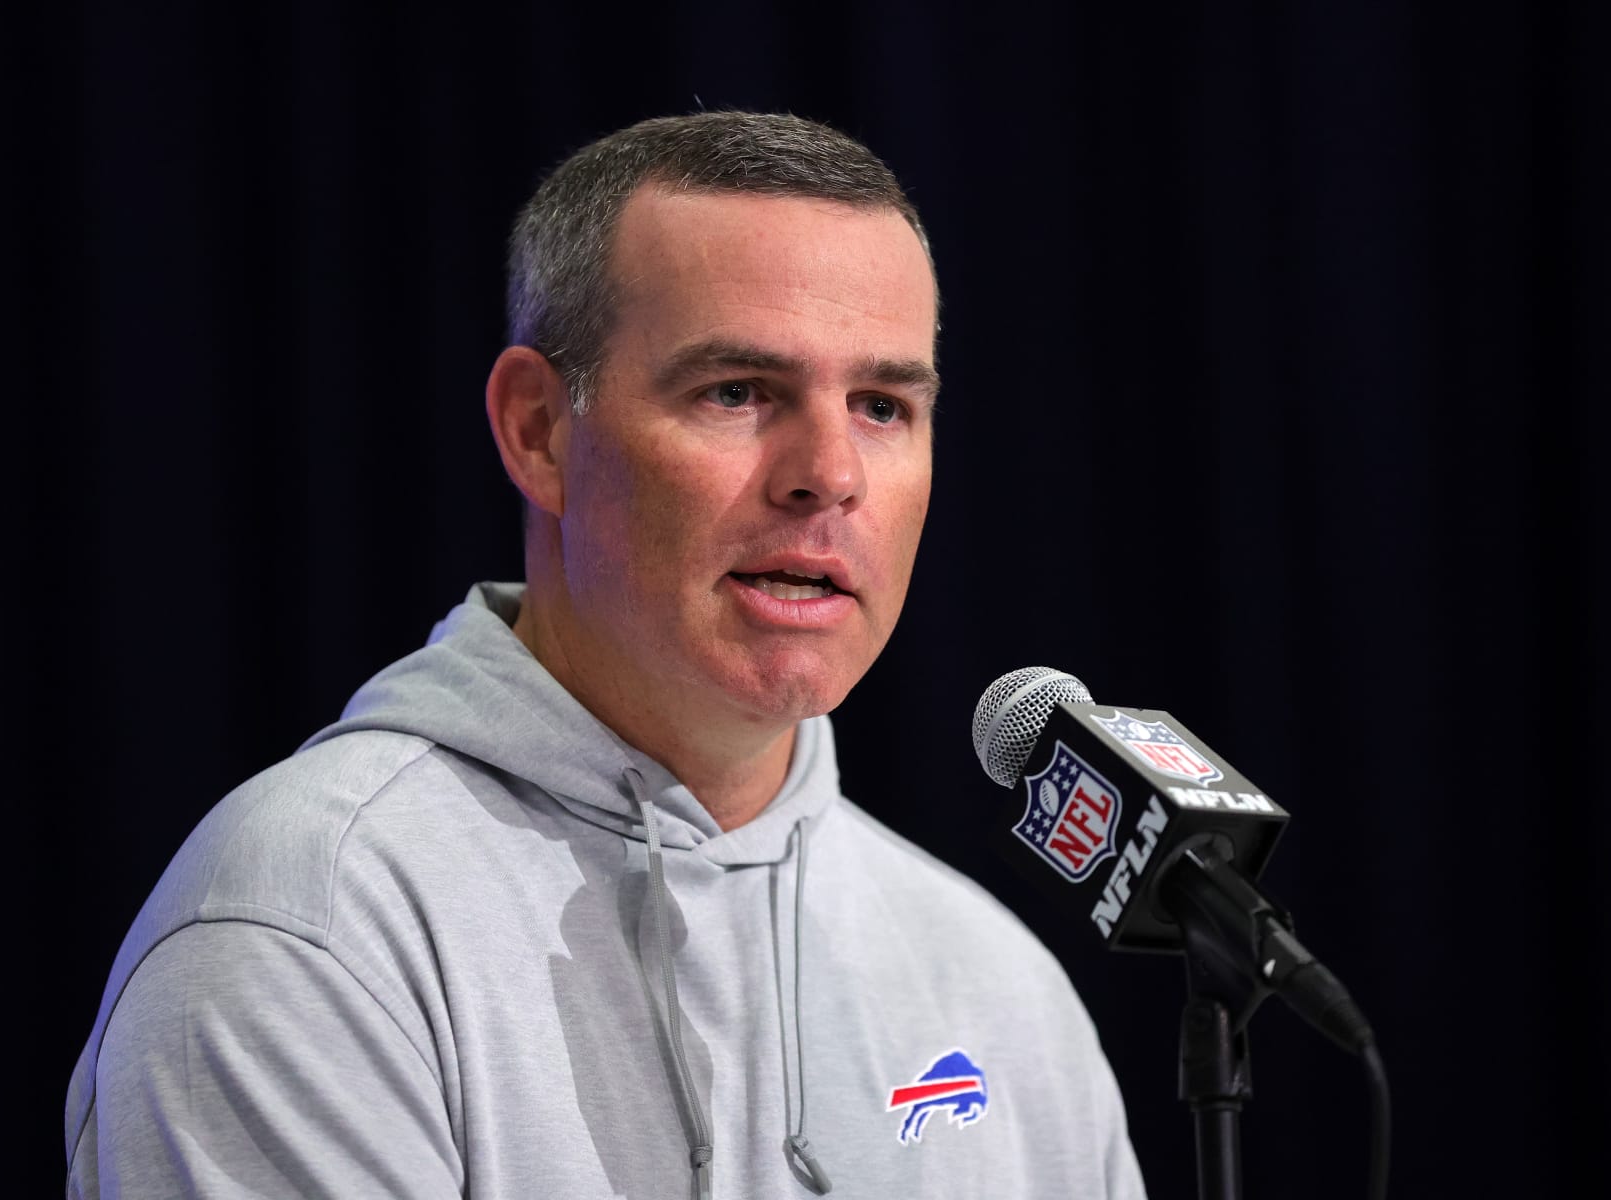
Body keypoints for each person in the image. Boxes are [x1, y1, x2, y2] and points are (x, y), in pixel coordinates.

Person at [64, 111, 1146, 1199]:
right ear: (538, 429)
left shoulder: (1000, 989)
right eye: (738, 392)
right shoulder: (311, 927)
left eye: (881, 405)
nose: (829, 472)